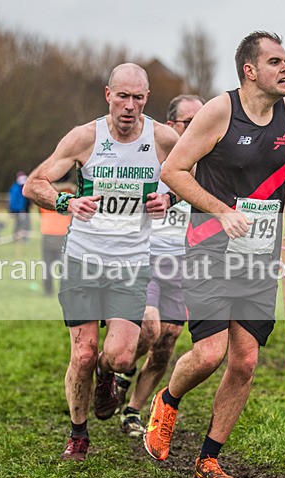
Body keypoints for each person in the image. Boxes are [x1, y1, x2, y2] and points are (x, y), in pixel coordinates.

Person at [143, 31, 285, 478]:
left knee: (246, 361)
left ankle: (208, 459)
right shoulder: (219, 112)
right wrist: (220, 210)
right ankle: (168, 401)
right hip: (210, 249)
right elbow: (172, 171)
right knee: (211, 353)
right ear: (250, 70)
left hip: (258, 256)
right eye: (276, 61)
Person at [22, 63, 179, 461]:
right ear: (108, 94)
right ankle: (78, 433)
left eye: (138, 98)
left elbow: (196, 175)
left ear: (147, 99)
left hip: (130, 264)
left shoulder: (163, 138)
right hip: (82, 261)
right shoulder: (84, 137)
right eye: (122, 96)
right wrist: (66, 201)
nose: (129, 106)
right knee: (84, 353)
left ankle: (109, 378)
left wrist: (172, 198)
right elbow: (34, 183)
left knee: (123, 355)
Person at [115, 94, 205, 437]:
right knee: (149, 328)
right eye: (189, 122)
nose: (197, 128)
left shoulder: (209, 163)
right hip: (146, 257)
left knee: (167, 340)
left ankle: (133, 410)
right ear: (171, 126)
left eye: (202, 121)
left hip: (183, 264)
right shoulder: (149, 158)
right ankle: (120, 370)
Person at [38, 180, 74, 297]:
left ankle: (48, 292)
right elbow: (73, 188)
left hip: (48, 234)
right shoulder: (67, 199)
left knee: (47, 266)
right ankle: (65, 290)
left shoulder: (45, 202)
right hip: (61, 235)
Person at [9, 171, 31, 239]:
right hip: (19, 210)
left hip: (24, 209)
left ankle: (23, 237)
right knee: (18, 224)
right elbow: (14, 201)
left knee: (24, 224)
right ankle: (16, 237)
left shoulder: (24, 187)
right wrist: (21, 210)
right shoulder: (15, 188)